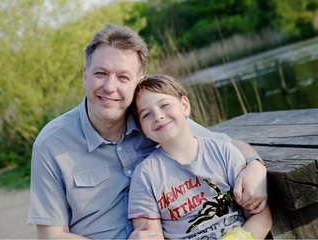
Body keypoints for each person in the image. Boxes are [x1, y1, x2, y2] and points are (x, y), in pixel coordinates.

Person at [28, 24, 267, 239]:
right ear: (85, 74)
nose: (110, 87)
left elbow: (224, 144)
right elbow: (52, 236)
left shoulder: (154, 122)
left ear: (138, 82)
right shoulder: (52, 144)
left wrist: (256, 166)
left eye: (123, 77)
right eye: (100, 73)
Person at [128, 74, 272, 239]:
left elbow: (260, 215)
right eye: (146, 114)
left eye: (165, 105)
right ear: (142, 129)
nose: (158, 116)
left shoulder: (222, 152)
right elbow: (148, 232)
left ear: (185, 106)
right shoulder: (146, 175)